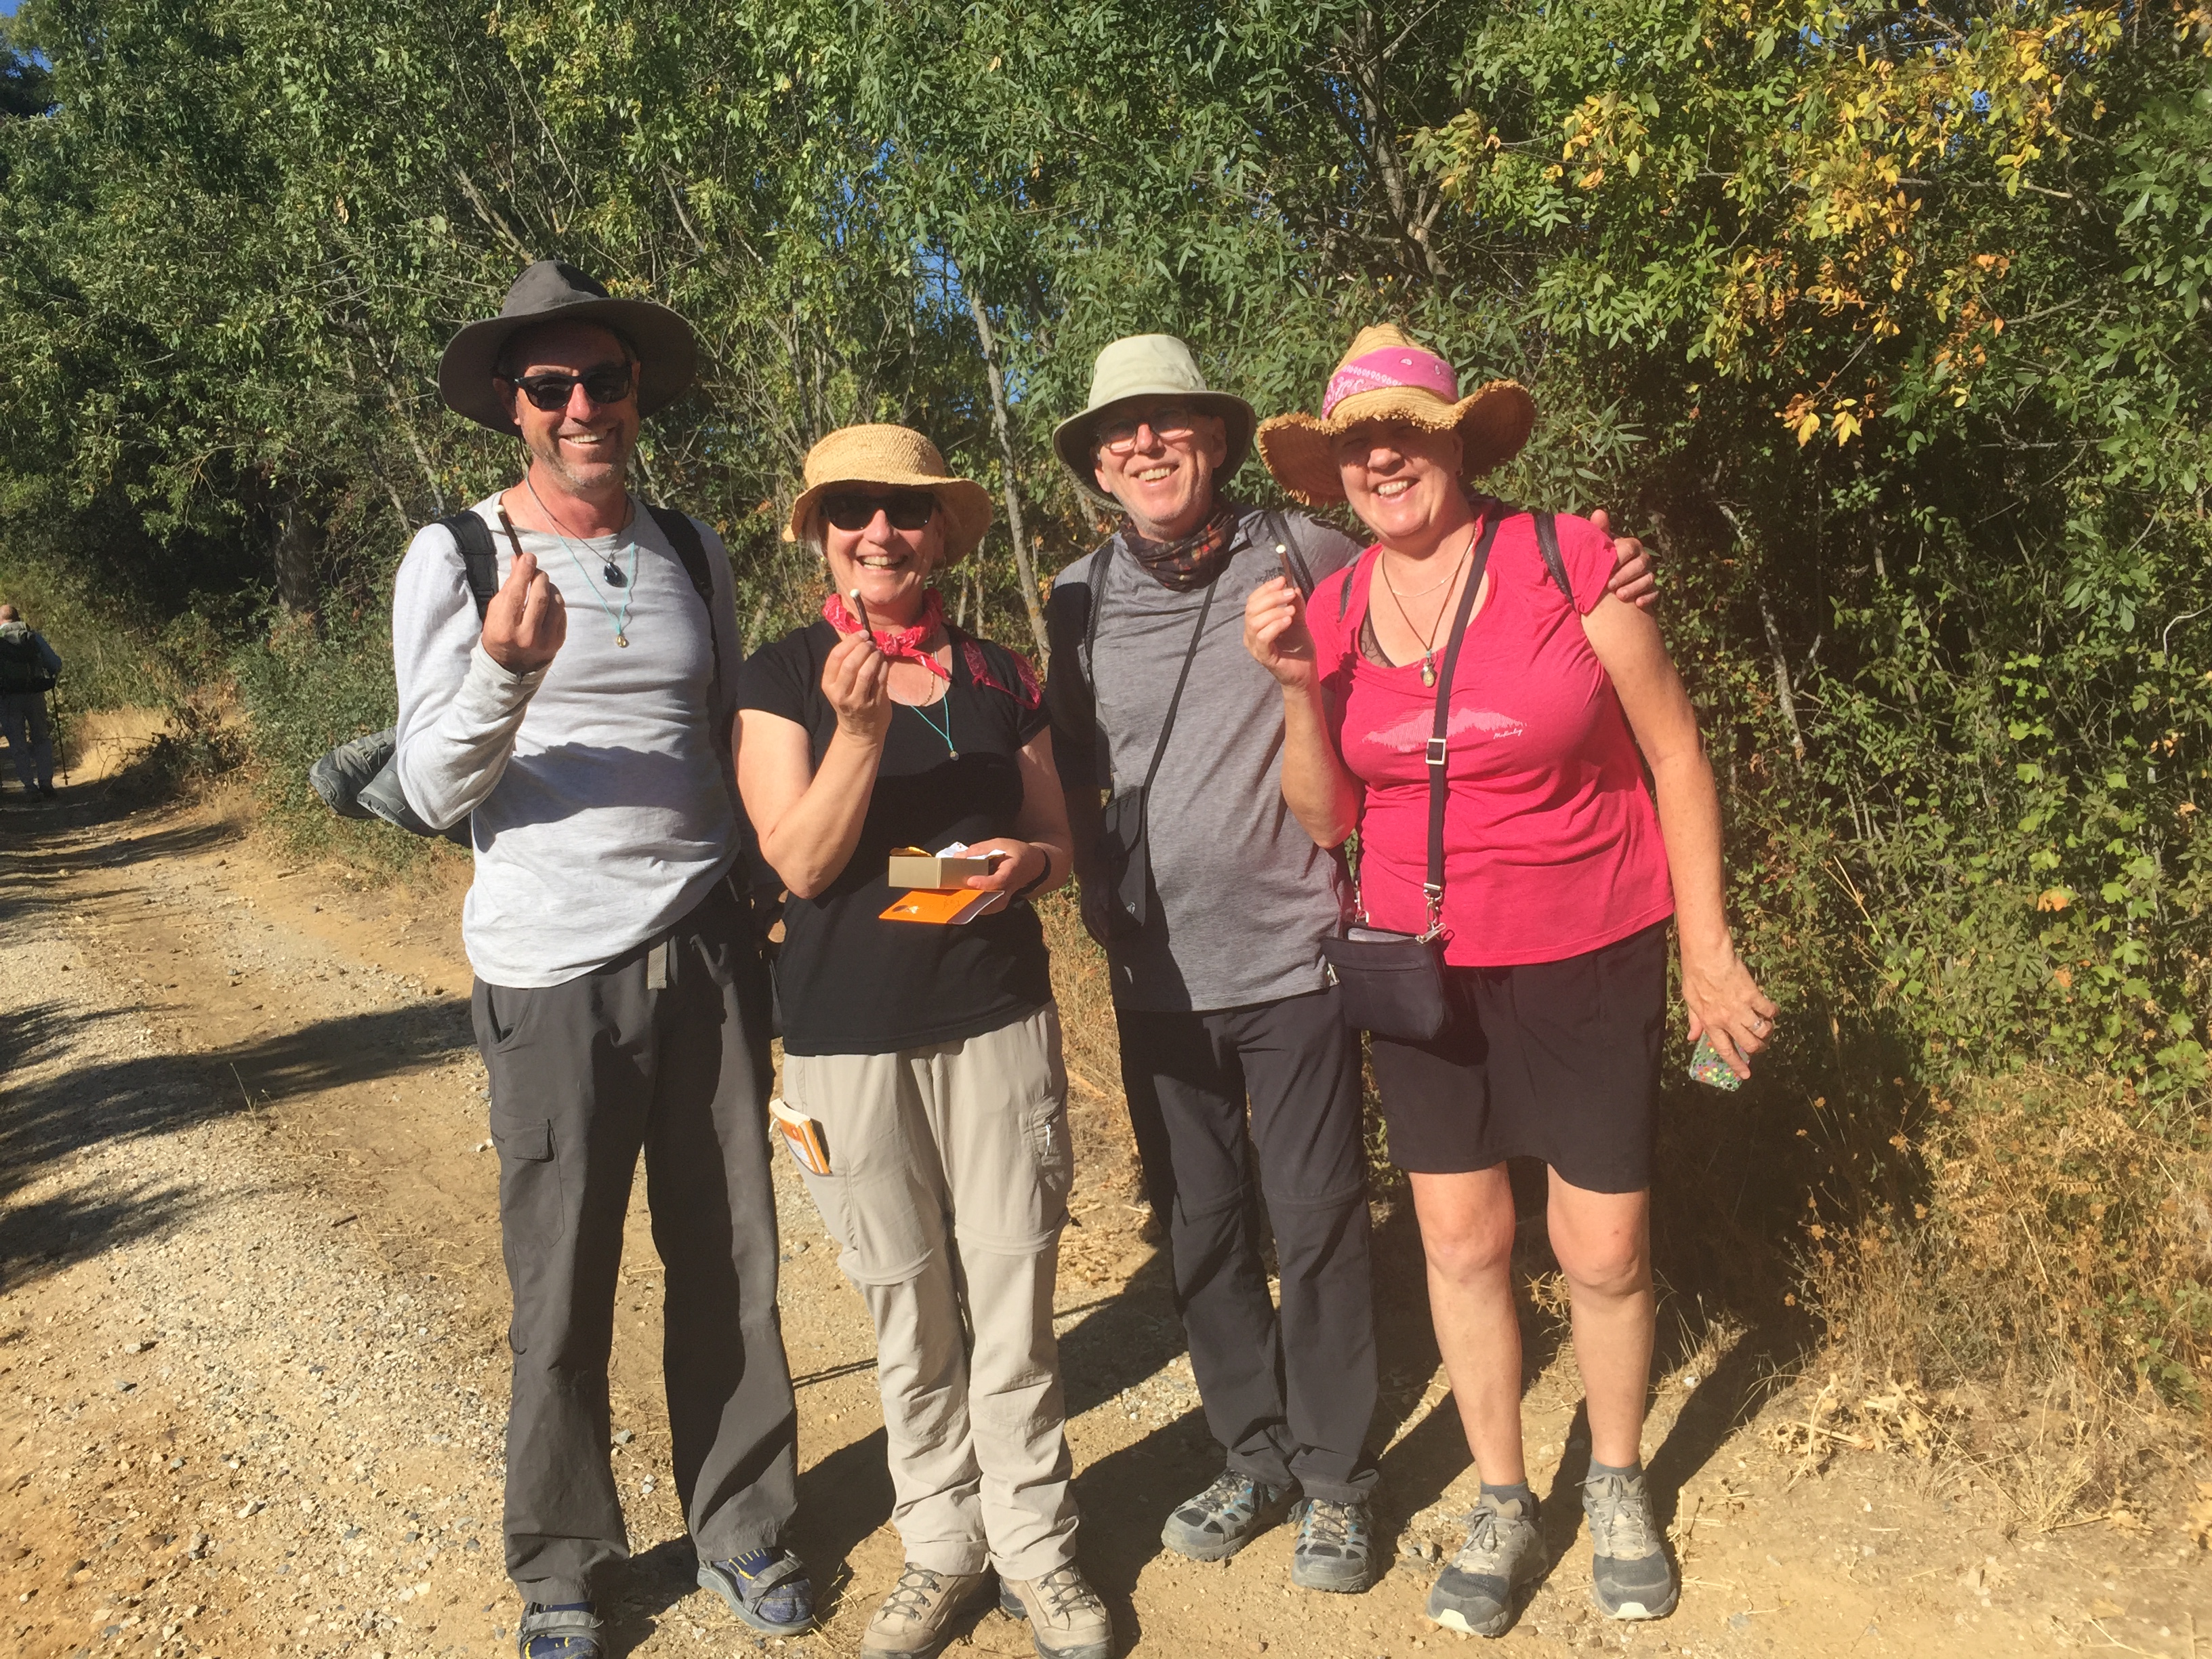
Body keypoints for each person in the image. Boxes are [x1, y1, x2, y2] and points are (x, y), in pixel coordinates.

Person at [1041, 335, 1659, 1599]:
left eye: (1169, 421)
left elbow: (1454, 566)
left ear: (1216, 439)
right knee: (1205, 1226)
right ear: (1096, 465)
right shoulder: (1073, 597)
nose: (1145, 445)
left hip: (1304, 956)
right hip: (1159, 971)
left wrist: (1610, 559)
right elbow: (1067, 757)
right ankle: (1250, 1454)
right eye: (1118, 431)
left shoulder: (1308, 552)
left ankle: (1334, 1476)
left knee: (1319, 1215)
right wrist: (1088, 884)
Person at [1243, 325, 1778, 1637]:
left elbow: (1677, 755)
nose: (1382, 459)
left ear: (1457, 445)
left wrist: (1707, 949)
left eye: (1406, 433)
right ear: (1333, 472)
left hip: (1590, 948)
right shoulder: (1333, 607)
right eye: (1357, 444)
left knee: (1604, 1251)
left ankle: (1615, 1480)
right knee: (1462, 1242)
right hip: (1419, 971)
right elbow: (1324, 818)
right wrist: (1297, 691)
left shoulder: (1566, 557)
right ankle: (1501, 1497)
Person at [391, 261, 808, 1659]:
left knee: (731, 1256)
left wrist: (772, 875)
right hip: (552, 967)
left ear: (637, 396)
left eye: (605, 380)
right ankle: (563, 1563)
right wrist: (505, 672)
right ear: (511, 405)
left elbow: (728, 728)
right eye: (551, 385)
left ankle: (742, 1523)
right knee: (561, 1277)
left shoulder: (691, 548)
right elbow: (432, 788)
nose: (582, 405)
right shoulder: (456, 557)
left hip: (706, 944)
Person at [735, 424, 1107, 1659]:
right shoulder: (780, 676)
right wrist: (853, 733)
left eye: (905, 511)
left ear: (942, 532)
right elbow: (799, 864)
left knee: (1012, 1295)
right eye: (851, 510)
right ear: (821, 534)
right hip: (842, 1040)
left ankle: (1036, 1547)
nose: (879, 532)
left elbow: (1057, 839)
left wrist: (1029, 863)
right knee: (905, 1304)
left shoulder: (1002, 676)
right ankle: (941, 1544)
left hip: (995, 1019)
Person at [0, 602, 62, 799]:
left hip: (9, 698)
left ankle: (29, 786)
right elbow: (55, 664)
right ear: (18, 618)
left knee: (17, 742)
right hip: (35, 694)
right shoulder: (33, 637)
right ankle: (46, 782)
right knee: (41, 738)